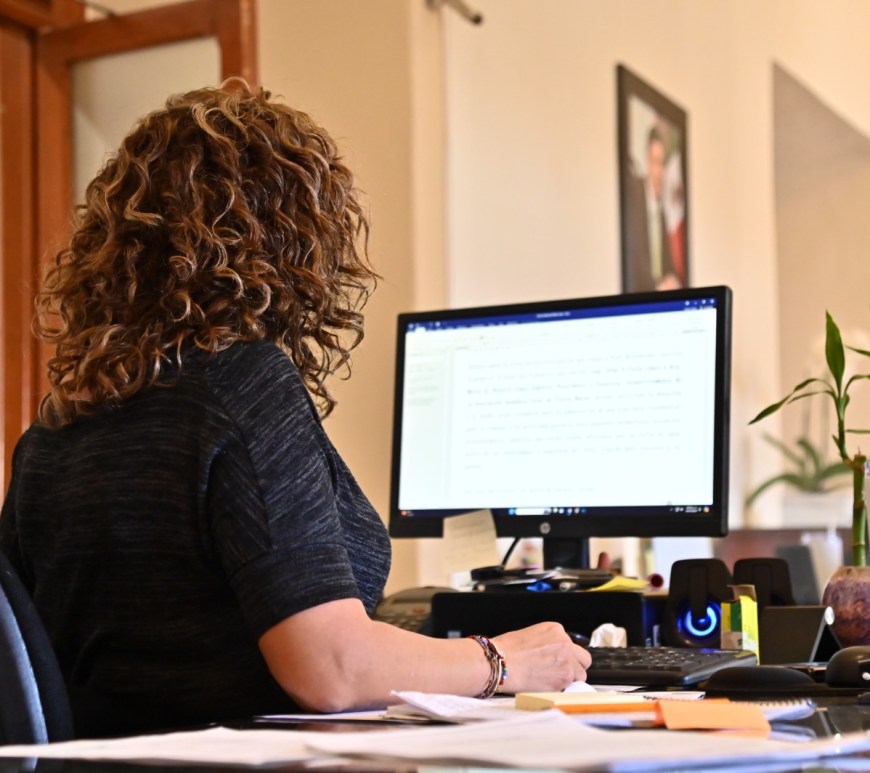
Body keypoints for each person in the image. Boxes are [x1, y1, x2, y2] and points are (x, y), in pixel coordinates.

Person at [0, 82, 590, 738]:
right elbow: (331, 667)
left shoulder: (55, 428)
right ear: (294, 236)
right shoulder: (241, 382)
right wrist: (504, 660)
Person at [622, 125, 683, 293]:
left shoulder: (660, 211)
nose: (660, 172)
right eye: (656, 162)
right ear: (647, 162)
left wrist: (672, 280)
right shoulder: (634, 195)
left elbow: (667, 264)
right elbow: (635, 259)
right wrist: (656, 286)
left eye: (663, 164)